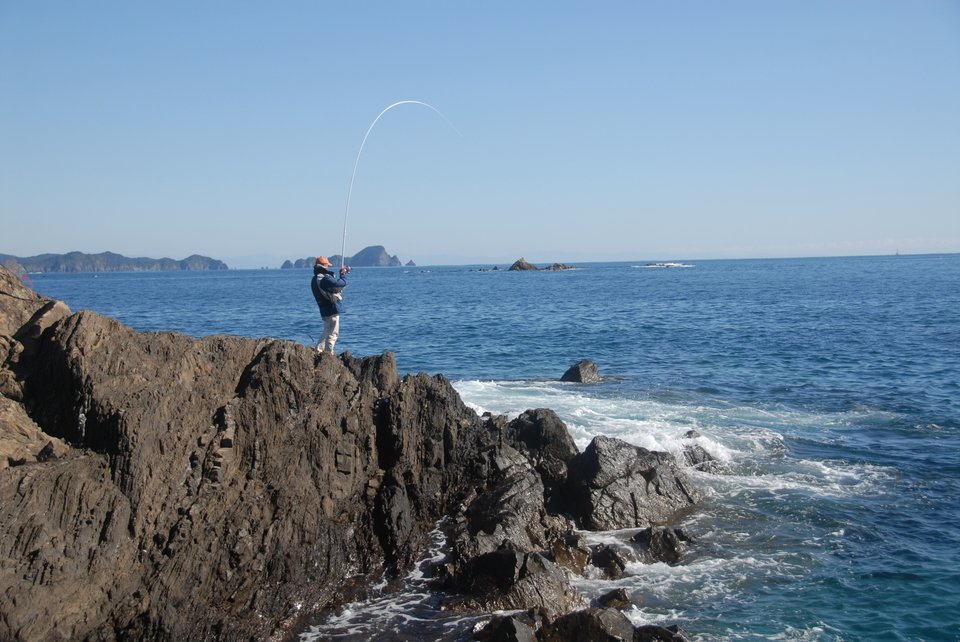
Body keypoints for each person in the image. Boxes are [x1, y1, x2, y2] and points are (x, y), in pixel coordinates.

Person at [311, 256, 350, 354]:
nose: (328, 267)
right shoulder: (324, 278)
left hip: (324, 309)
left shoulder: (315, 279)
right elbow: (339, 284)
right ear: (324, 266)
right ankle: (329, 353)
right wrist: (343, 275)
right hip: (331, 308)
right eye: (327, 265)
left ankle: (318, 351)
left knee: (327, 331)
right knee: (333, 333)